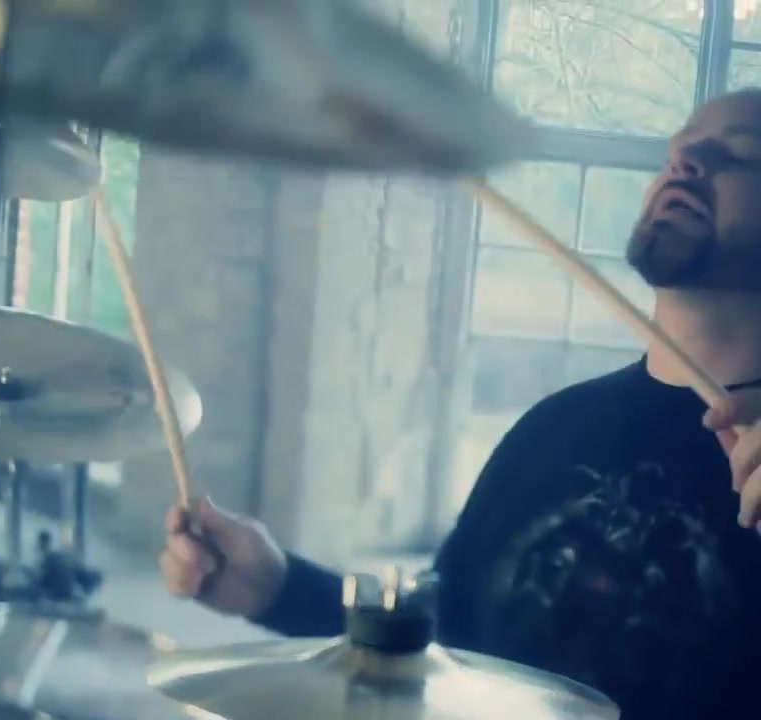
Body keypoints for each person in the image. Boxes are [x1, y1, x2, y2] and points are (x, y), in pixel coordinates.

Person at [159, 88, 761, 720]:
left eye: (738, 153)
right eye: (679, 148)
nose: (685, 161)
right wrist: (277, 588)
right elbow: (444, 658)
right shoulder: (553, 430)